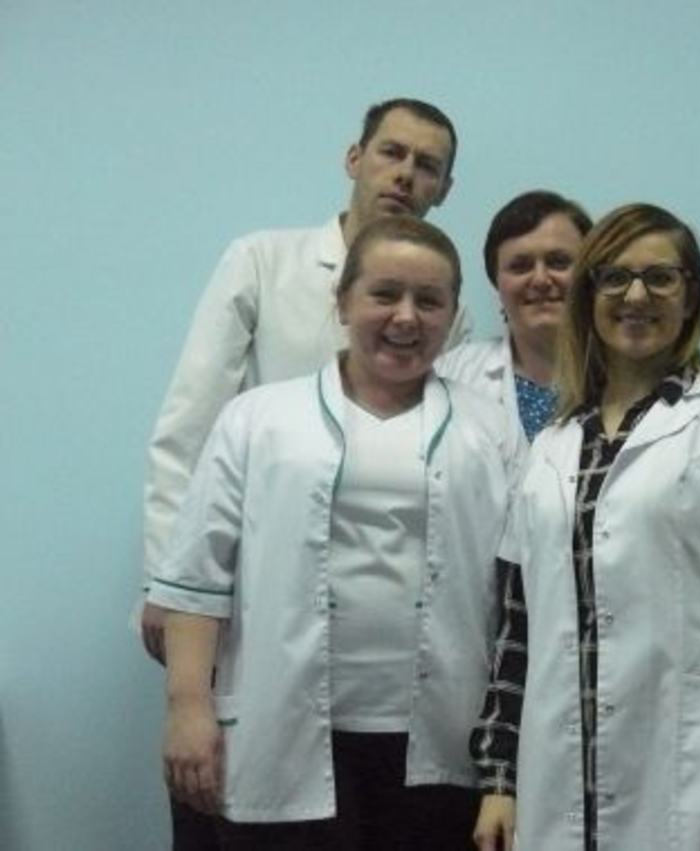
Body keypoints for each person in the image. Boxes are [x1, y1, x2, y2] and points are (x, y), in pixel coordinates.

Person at [138, 97, 462, 847]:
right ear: (355, 158)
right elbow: (189, 430)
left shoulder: (450, 316)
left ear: (443, 189)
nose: (405, 174)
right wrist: (167, 585)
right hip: (250, 591)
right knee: (228, 792)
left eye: (427, 166)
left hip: (385, 665)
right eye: (392, 153)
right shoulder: (263, 260)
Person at [471, 203, 700, 851]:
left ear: (691, 297)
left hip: (688, 773)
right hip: (555, 781)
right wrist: (500, 778)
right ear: (589, 295)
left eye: (660, 277)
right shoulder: (551, 445)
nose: (636, 296)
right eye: (615, 277)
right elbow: (517, 631)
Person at [435, 190, 592, 442]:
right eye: (520, 266)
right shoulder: (449, 374)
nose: (540, 279)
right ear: (496, 282)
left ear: (589, 273)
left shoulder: (625, 376)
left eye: (558, 262)